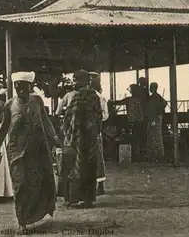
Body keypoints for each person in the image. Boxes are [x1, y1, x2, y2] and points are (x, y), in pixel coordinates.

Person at [0, 72, 61, 229]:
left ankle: (31, 216)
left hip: (38, 149)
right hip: (16, 150)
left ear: (30, 87)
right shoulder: (9, 105)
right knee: (20, 184)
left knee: (38, 183)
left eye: (24, 87)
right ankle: (21, 221)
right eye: (17, 87)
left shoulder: (36, 100)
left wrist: (55, 137)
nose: (20, 90)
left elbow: (45, 120)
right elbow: (3, 128)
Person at [60, 70, 102, 209]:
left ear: (83, 81)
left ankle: (75, 199)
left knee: (76, 166)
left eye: (76, 80)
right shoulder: (92, 96)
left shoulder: (81, 96)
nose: (74, 82)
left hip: (78, 137)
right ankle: (84, 199)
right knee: (85, 166)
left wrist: (67, 132)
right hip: (86, 137)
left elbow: (69, 117)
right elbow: (98, 117)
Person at [111, 84, 145, 161]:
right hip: (140, 121)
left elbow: (118, 102)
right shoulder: (140, 100)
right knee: (138, 138)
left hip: (132, 121)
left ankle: (133, 156)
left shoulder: (129, 100)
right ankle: (137, 155)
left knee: (132, 138)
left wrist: (110, 102)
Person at [89, 71, 109, 195]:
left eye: (92, 80)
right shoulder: (83, 95)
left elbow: (105, 115)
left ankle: (100, 185)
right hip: (84, 131)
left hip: (95, 130)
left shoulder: (100, 97)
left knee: (98, 157)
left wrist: (94, 118)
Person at [145, 82, 167, 162]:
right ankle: (158, 155)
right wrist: (161, 110)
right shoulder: (158, 96)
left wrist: (153, 119)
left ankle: (155, 156)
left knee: (154, 137)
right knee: (157, 137)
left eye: (151, 87)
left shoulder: (152, 97)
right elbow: (165, 103)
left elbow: (151, 110)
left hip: (154, 119)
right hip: (158, 117)